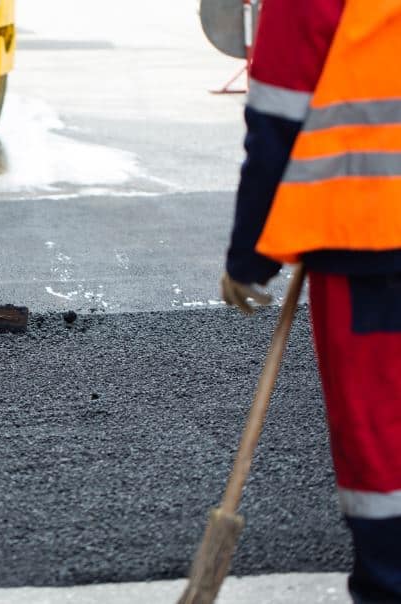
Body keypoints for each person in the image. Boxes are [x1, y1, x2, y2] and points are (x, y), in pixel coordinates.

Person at [221, 0, 401, 601]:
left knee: (381, 436)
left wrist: (250, 261)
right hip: (371, 238)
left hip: (371, 242)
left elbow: (277, 122)